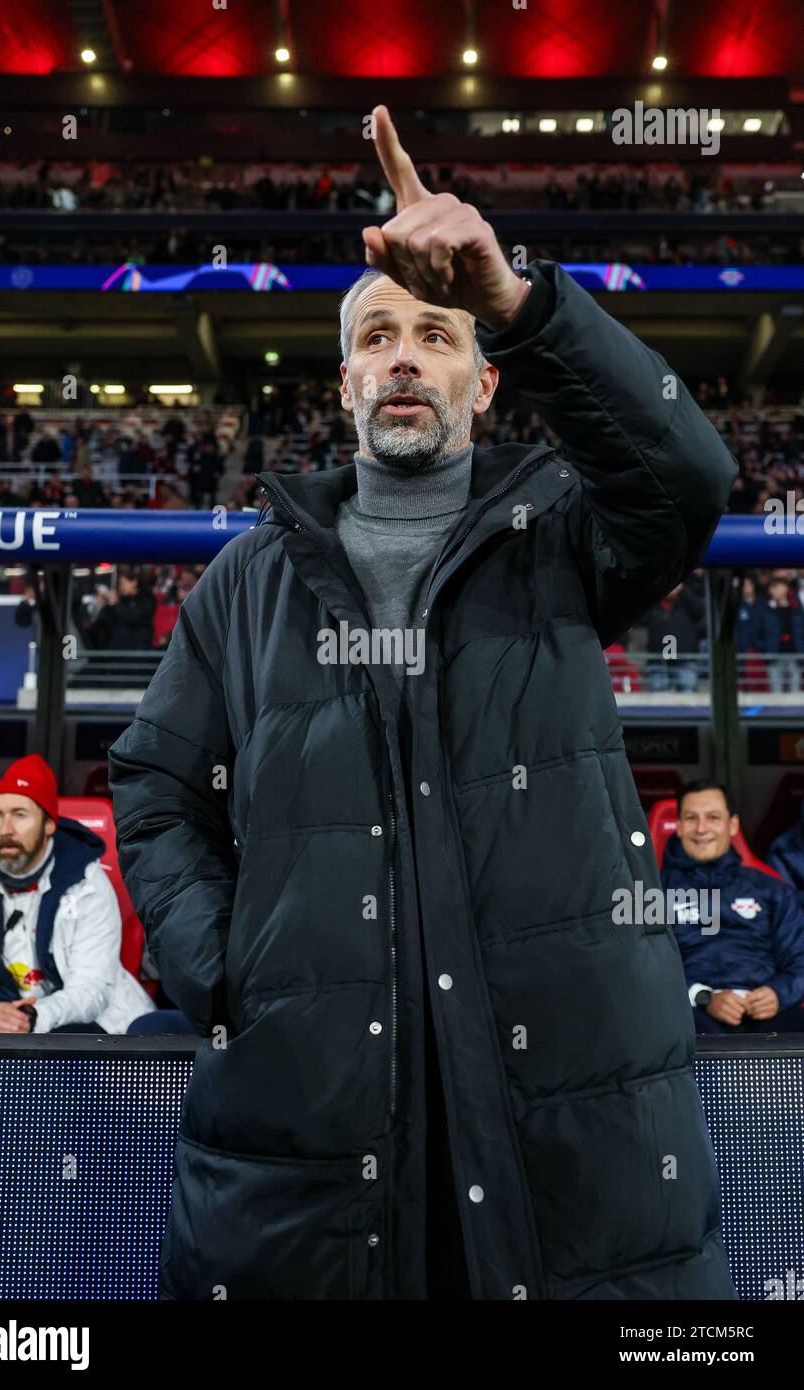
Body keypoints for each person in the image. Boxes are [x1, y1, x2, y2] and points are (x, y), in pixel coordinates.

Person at [109, 106, 738, 1301]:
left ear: (484, 383)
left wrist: (517, 297)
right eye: (379, 334)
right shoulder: (248, 578)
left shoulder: (563, 538)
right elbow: (153, 783)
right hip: (309, 1135)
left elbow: (688, 477)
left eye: (438, 335)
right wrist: (228, 961)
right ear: (343, 378)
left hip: (569, 1139)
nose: (404, 355)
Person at [0, 754, 154, 1034]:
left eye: (20, 815)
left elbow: (91, 988)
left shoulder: (89, 884)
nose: (6, 829)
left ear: (49, 824)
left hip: (74, 1018)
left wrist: (33, 1016)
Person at [661, 781, 804, 1035]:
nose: (702, 828)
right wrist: (703, 997)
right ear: (680, 827)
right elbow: (642, 966)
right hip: (687, 1014)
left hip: (769, 1012)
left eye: (713, 817)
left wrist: (777, 994)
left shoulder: (772, 890)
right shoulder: (653, 891)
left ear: (733, 825)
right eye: (691, 818)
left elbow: (799, 959)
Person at [750, 574, 804, 693]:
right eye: (770, 587)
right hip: (774, 657)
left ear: (785, 588)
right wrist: (767, 648)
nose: (771, 590)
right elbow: (754, 635)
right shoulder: (765, 610)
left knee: (795, 693)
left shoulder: (797, 610)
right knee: (776, 693)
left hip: (795, 657)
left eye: (775, 586)